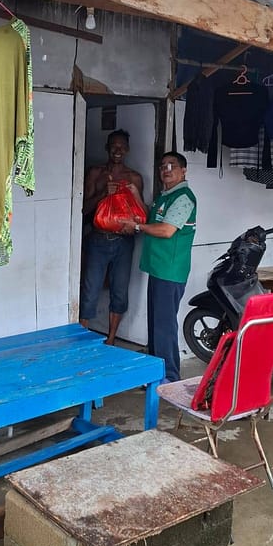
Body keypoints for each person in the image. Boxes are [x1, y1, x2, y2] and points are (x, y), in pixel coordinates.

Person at [120, 152, 196, 383]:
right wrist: (136, 196)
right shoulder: (165, 196)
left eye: (172, 166)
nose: (166, 170)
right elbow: (153, 218)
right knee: (156, 323)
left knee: (164, 325)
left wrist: (137, 228)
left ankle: (169, 375)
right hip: (159, 268)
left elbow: (166, 230)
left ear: (184, 171)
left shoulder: (183, 198)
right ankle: (156, 373)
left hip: (171, 270)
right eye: (163, 166)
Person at [79, 130, 144, 344]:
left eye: (122, 146)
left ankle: (111, 339)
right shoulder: (96, 173)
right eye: (114, 146)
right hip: (98, 239)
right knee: (90, 289)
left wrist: (134, 226)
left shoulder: (134, 178)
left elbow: (140, 214)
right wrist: (103, 194)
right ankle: (81, 338)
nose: (118, 150)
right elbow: (83, 209)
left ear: (128, 150)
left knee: (120, 291)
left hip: (124, 243)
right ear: (107, 148)